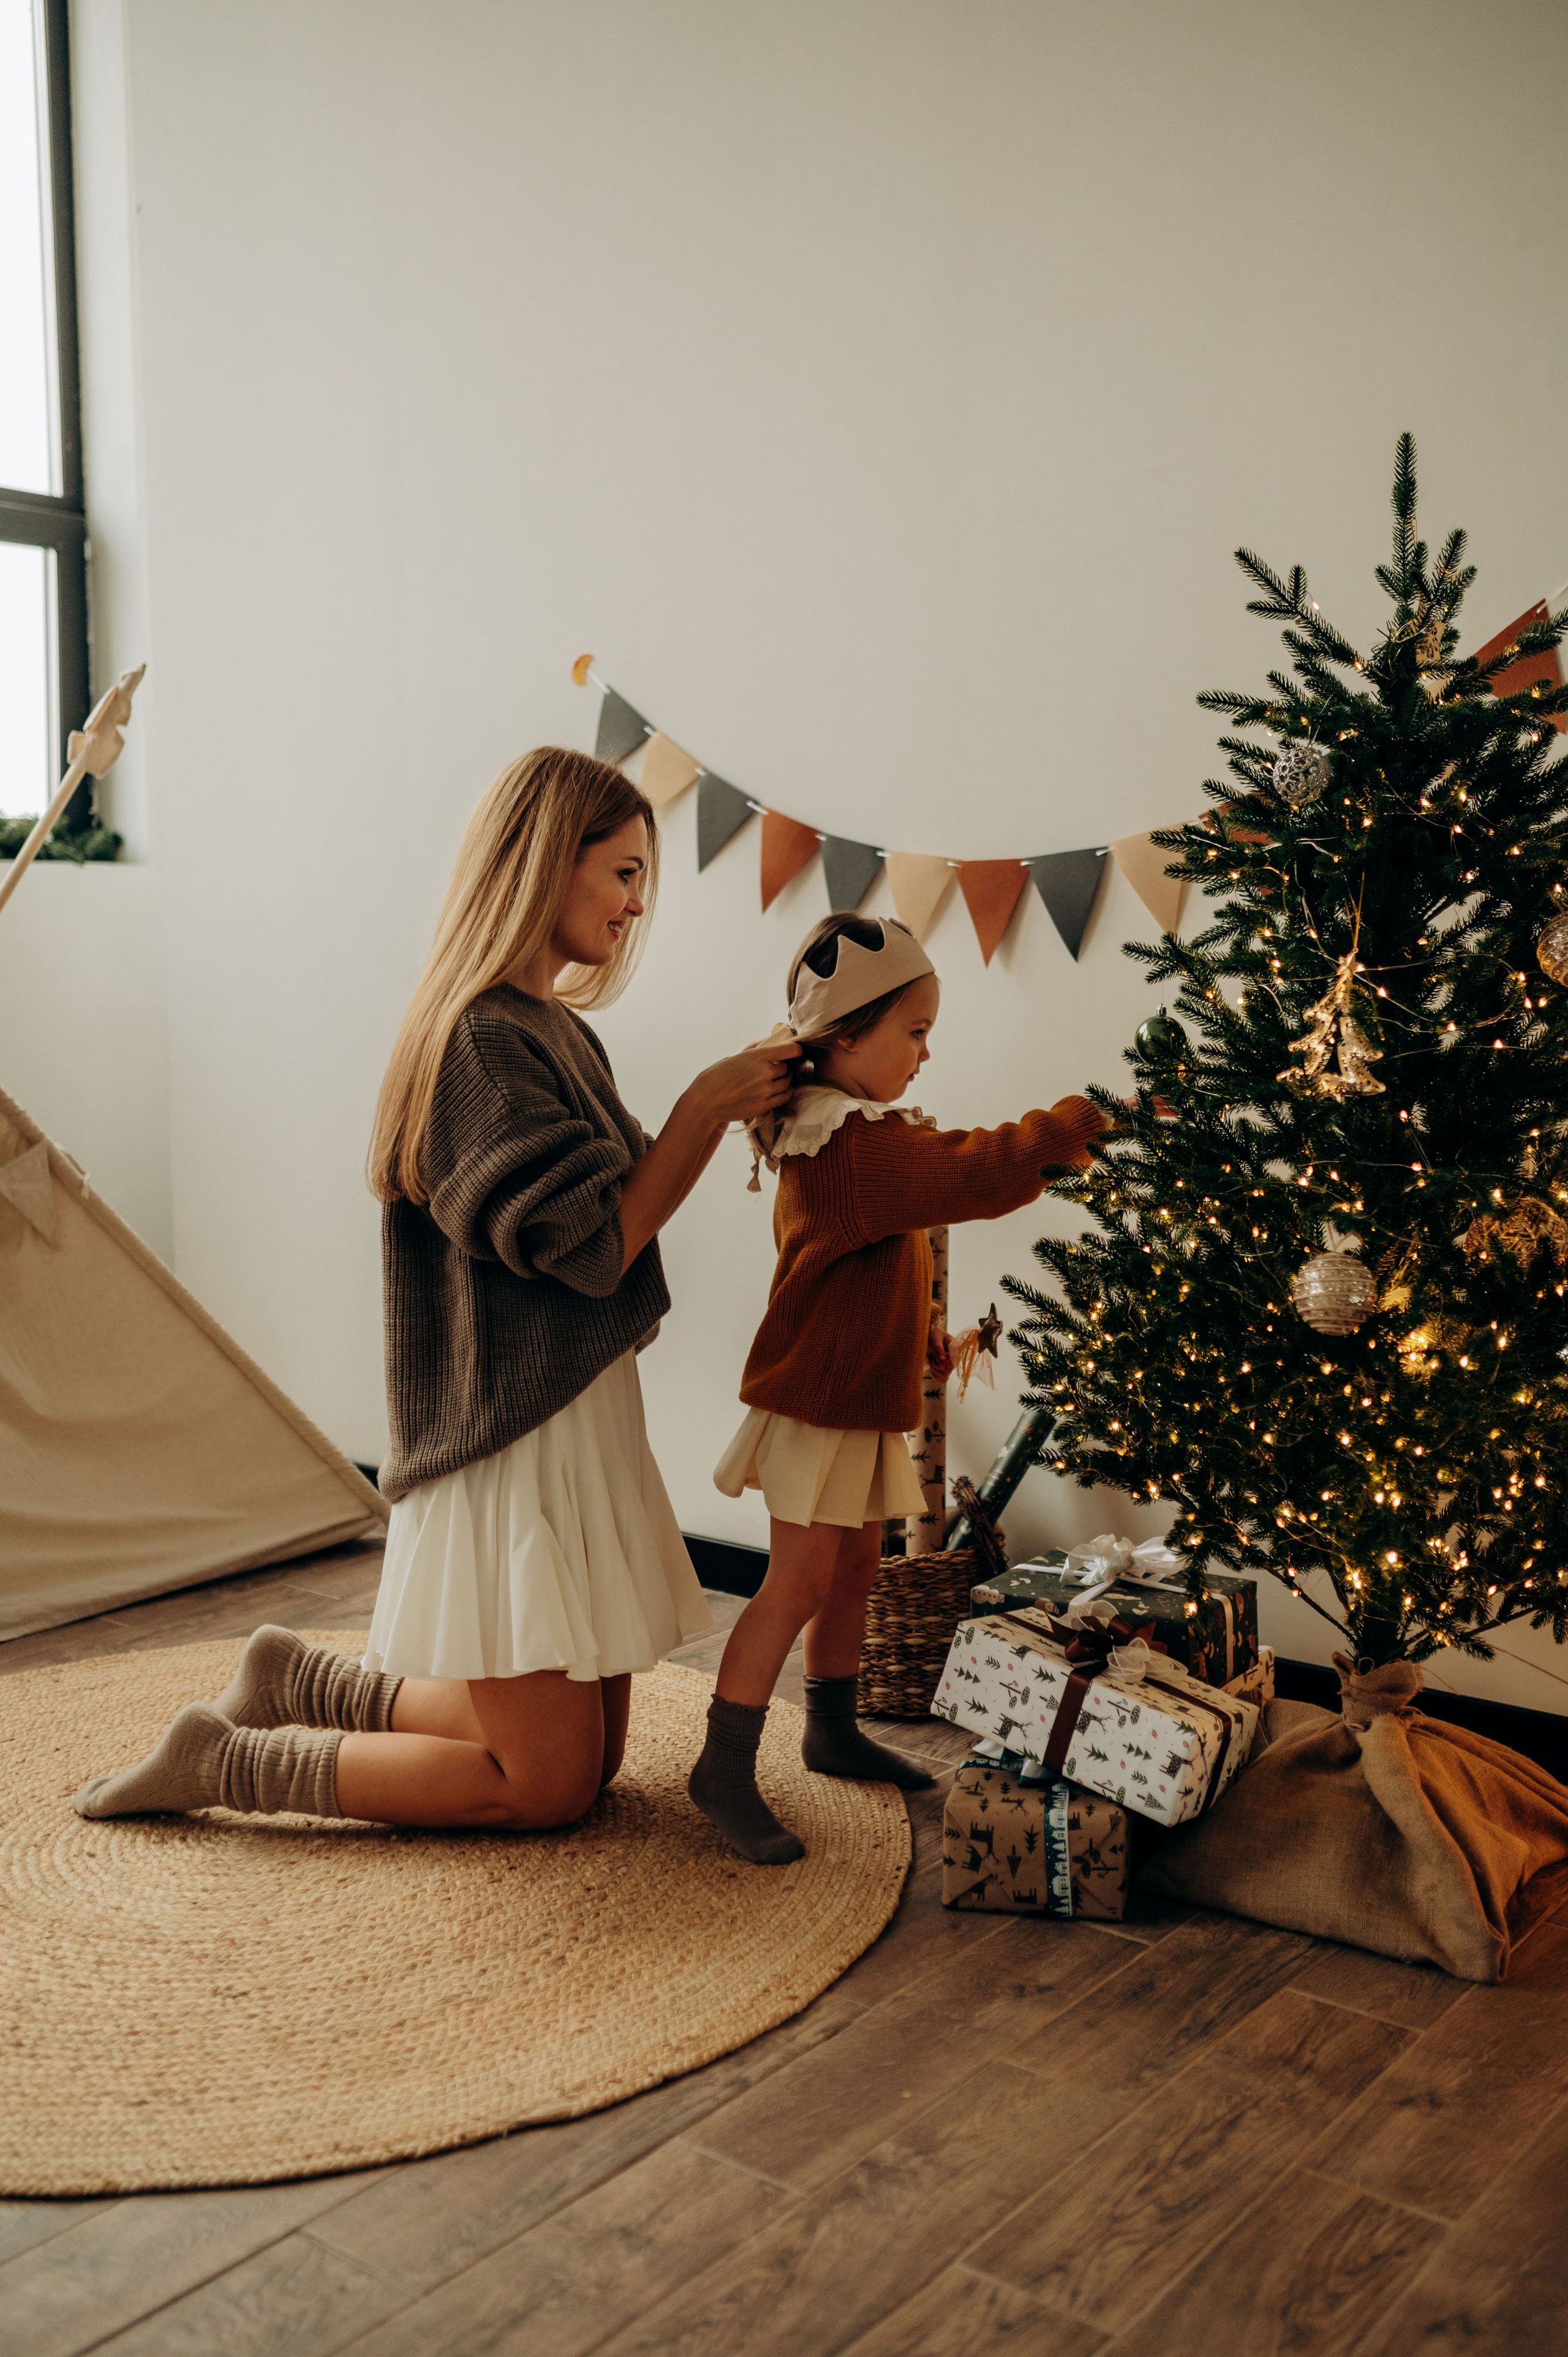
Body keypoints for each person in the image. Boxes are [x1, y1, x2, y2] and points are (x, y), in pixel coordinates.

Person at [76, 747, 799, 1830]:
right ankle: (227, 1766)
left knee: (590, 1768)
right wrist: (702, 1104)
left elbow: (624, 1205)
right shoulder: (478, 1038)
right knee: (546, 1787)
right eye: (622, 873)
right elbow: (595, 1243)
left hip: (571, 1412)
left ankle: (297, 1681)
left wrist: (735, 1108)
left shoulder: (553, 1029)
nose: (638, 905)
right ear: (547, 864)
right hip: (511, 1436)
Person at [689, 911, 1107, 1863]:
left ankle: (831, 1728)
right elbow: (983, 1172)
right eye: (913, 1034)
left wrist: (916, 1330)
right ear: (844, 1037)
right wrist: (1082, 1121)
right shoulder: (849, 1143)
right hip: (816, 1402)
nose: (925, 1055)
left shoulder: (850, 1135)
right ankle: (722, 1766)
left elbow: (871, 1254)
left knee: (858, 1571)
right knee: (794, 1584)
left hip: (858, 1396)